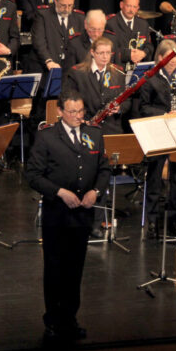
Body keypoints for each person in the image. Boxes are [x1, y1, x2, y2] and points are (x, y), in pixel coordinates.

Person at [25, 89, 110, 343]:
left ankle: (70, 318)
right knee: (54, 268)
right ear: (60, 112)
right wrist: (60, 192)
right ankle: (52, 319)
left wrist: (96, 191)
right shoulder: (47, 137)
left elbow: (103, 169)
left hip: (84, 212)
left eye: (81, 111)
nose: (77, 116)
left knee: (76, 269)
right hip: (57, 214)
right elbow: (33, 175)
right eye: (71, 112)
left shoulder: (94, 134)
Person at [63, 37, 127, 238]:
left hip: (109, 130)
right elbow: (68, 101)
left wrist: (119, 108)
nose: (105, 57)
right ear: (92, 52)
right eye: (101, 53)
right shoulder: (77, 74)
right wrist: (83, 120)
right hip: (83, 128)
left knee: (102, 177)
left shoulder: (117, 74)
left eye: (108, 53)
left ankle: (96, 222)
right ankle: (77, 219)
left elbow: (127, 103)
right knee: (82, 176)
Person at [140, 39, 176, 238]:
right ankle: (152, 221)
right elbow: (143, 107)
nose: (173, 61)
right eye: (169, 57)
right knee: (155, 177)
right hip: (158, 131)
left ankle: (174, 219)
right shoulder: (150, 78)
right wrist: (163, 115)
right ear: (160, 58)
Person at [32, 0, 85, 73]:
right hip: (46, 68)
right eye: (63, 5)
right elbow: (39, 42)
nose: (67, 9)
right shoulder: (43, 15)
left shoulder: (80, 18)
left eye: (70, 5)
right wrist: (48, 60)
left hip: (70, 72)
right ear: (55, 0)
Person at [104, 0, 154, 70]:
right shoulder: (110, 23)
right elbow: (107, 49)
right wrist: (129, 55)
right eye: (128, 6)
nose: (131, 10)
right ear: (121, 5)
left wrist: (143, 53)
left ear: (138, 8)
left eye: (134, 7)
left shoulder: (143, 24)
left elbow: (149, 46)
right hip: (117, 70)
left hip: (137, 70)